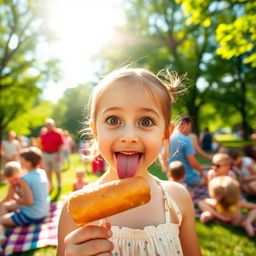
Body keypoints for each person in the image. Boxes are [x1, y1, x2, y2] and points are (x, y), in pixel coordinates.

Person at [57, 67, 202, 256]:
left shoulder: (178, 198)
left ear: (165, 134)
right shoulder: (74, 212)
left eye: (146, 122)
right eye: (113, 119)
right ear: (96, 131)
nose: (129, 136)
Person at [0, 147, 50, 251]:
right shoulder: (42, 172)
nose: (19, 162)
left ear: (28, 162)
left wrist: (15, 197)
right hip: (44, 212)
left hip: (32, 215)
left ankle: (2, 238)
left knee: (0, 220)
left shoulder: (24, 178)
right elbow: (50, 187)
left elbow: (29, 202)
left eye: (21, 160)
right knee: (5, 206)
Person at [170, 115, 207, 187]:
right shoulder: (186, 140)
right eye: (190, 126)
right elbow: (192, 161)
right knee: (212, 179)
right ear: (185, 124)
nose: (190, 130)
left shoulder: (170, 138)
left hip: (174, 177)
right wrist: (202, 173)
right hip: (187, 178)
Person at [40, 119, 64, 191]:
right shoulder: (43, 135)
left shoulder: (57, 134)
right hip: (46, 155)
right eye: (47, 125)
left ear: (53, 125)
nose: (48, 126)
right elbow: (42, 145)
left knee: (57, 171)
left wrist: (59, 155)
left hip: (55, 154)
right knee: (48, 171)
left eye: (50, 125)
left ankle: (59, 184)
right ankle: (50, 185)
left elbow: (61, 145)